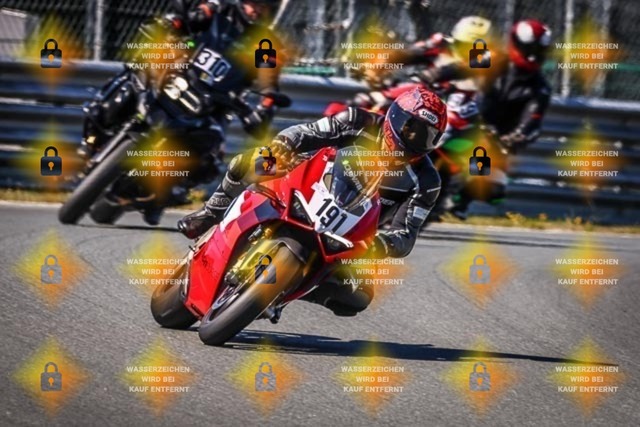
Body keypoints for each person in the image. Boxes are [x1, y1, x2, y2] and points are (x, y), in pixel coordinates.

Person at [178, 87, 447, 315]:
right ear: (395, 117)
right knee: (251, 161)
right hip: (304, 181)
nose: (414, 139)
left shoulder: (427, 181)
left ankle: (284, 290)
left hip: (351, 236)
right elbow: (304, 132)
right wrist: (284, 145)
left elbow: (406, 234)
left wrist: (382, 244)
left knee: (357, 297)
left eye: (426, 136)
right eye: (411, 128)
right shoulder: (356, 120)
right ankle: (210, 213)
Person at [79, 0, 285, 224]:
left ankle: (163, 192)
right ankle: (92, 139)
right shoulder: (218, 10)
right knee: (130, 83)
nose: (256, 10)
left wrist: (265, 106)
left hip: (216, 103)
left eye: (263, 7)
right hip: (177, 73)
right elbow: (187, 19)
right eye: (254, 4)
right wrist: (174, 24)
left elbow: (269, 79)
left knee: (209, 155)